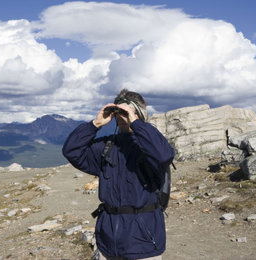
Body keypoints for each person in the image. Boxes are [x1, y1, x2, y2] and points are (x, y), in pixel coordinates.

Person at [62, 89, 175, 260]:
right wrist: (95, 124)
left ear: (139, 114)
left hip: (143, 241)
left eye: (127, 112)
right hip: (108, 240)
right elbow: (71, 151)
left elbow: (164, 155)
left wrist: (136, 124)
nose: (122, 117)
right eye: (118, 112)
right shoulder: (106, 147)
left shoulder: (150, 147)